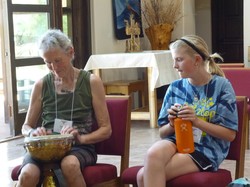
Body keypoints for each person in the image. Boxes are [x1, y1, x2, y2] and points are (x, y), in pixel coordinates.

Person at [137, 35, 238, 187]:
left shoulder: (221, 86)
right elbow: (163, 133)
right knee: (153, 154)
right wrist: (172, 124)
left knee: (143, 176)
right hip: (176, 141)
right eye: (174, 60)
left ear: (197, 60)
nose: (174, 65)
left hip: (206, 148)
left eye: (179, 60)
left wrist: (196, 121)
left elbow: (229, 135)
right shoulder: (175, 87)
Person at [16, 29, 112, 187]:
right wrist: (33, 132)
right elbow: (26, 127)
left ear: (70, 52)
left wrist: (81, 138)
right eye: (47, 62)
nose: (53, 67)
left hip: (79, 147)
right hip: (44, 148)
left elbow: (106, 129)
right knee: (28, 174)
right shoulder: (41, 85)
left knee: (70, 165)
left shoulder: (91, 82)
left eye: (57, 60)